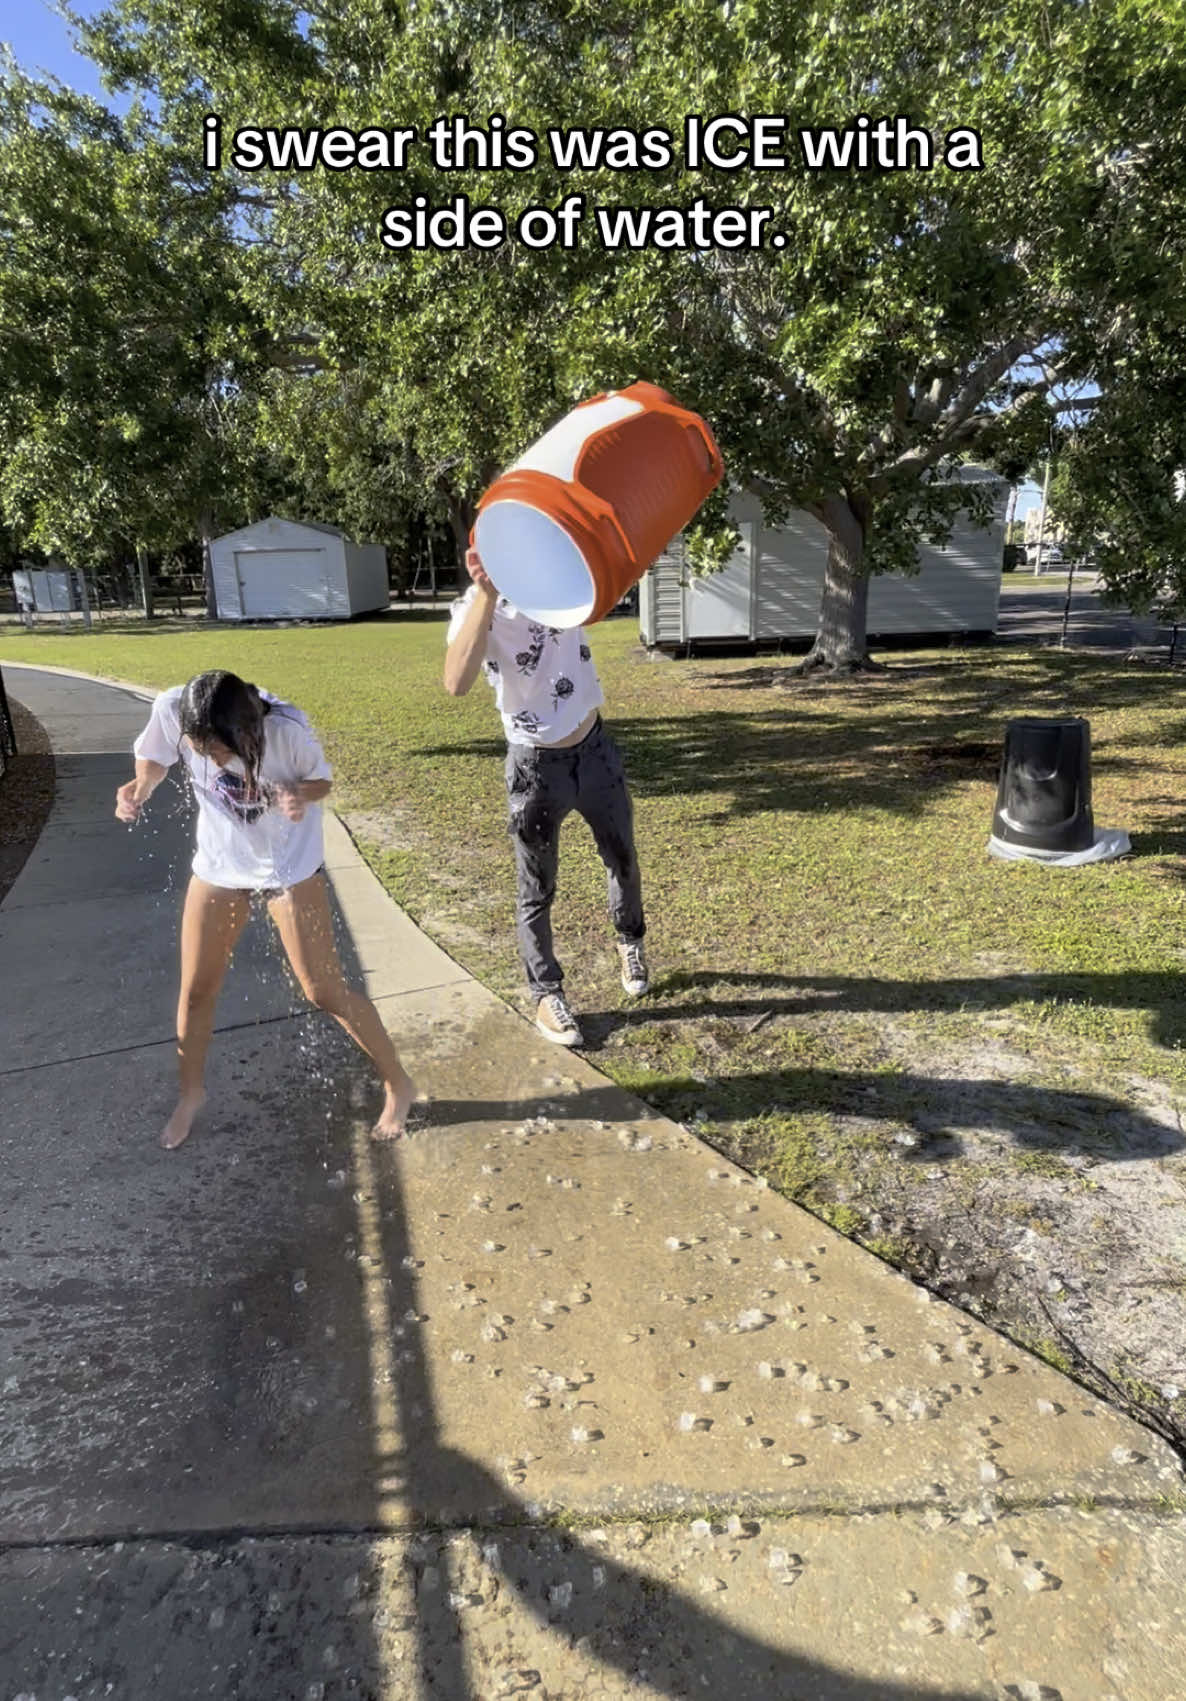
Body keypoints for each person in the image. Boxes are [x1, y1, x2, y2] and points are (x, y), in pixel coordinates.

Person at [115, 670, 418, 1148]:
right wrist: (141, 786)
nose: (210, 760)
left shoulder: (288, 729)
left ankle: (398, 1083)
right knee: (195, 992)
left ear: (247, 733)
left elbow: (322, 781)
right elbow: (153, 760)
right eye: (200, 750)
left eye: (219, 752)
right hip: (220, 865)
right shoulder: (174, 709)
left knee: (324, 992)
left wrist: (299, 794)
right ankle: (191, 1095)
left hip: (289, 867)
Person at [444, 547, 648, 1047]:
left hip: (594, 749)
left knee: (622, 858)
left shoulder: (557, 576)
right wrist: (486, 594)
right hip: (535, 767)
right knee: (537, 889)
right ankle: (545, 994)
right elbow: (455, 683)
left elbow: (609, 582)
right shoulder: (474, 607)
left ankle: (630, 942)